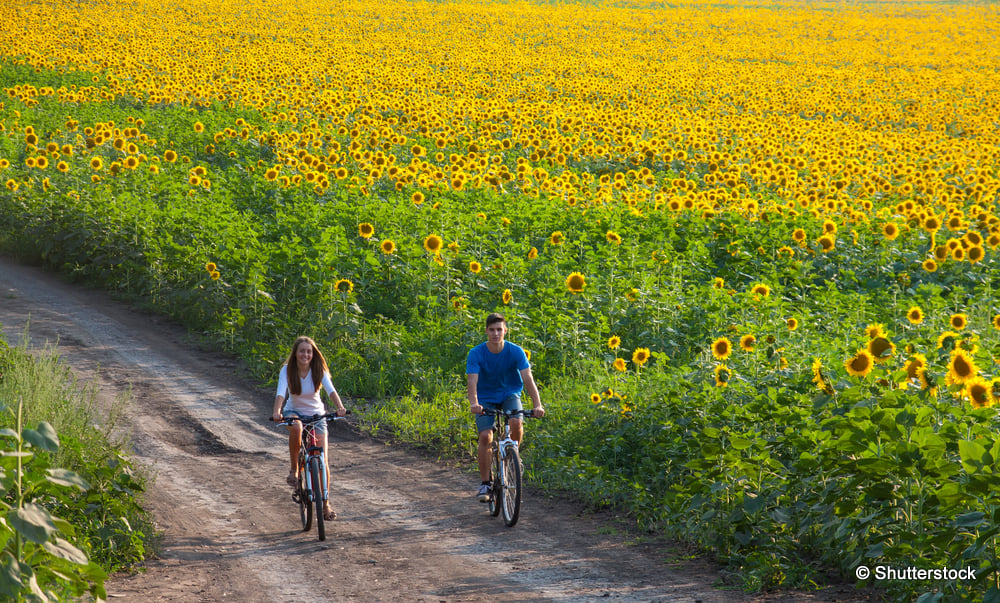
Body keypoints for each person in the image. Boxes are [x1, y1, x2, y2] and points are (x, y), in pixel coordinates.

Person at [467, 312, 545, 502]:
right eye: (492, 330)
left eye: (499, 330)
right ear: (486, 331)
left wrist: (537, 404)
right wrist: (474, 403)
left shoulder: (515, 351)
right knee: (486, 435)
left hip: (509, 394)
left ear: (505, 331)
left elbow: (528, 378)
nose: (495, 334)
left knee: (516, 421)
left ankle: (513, 459)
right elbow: (472, 381)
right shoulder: (476, 353)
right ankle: (486, 483)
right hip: (485, 397)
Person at [272, 336, 346, 521]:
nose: (305, 354)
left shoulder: (318, 370)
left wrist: (340, 407)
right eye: (302, 351)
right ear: (295, 353)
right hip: (293, 412)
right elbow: (281, 393)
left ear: (313, 354)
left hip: (316, 415)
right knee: (296, 428)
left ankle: (326, 504)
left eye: (309, 351)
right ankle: (294, 470)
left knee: (322, 460)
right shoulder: (287, 370)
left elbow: (331, 390)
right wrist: (277, 412)